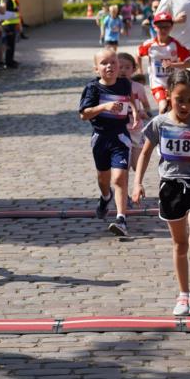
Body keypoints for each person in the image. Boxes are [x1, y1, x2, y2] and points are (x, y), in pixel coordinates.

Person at [132, 69, 190, 316]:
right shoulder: (159, 123)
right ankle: (183, 294)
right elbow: (145, 153)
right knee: (180, 243)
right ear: (168, 95)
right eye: (180, 99)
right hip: (170, 186)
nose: (185, 105)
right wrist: (138, 182)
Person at [79, 48, 138, 238]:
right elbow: (83, 114)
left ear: (119, 65)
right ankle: (106, 197)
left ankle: (121, 219)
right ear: (97, 69)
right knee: (104, 180)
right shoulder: (93, 88)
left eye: (113, 62)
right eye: (104, 63)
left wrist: (135, 113)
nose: (110, 66)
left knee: (119, 178)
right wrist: (104, 106)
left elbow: (129, 100)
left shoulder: (124, 84)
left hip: (120, 136)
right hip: (100, 138)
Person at [136, 11, 190, 115]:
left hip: (174, 83)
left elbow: (188, 64)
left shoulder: (176, 44)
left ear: (171, 27)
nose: (163, 29)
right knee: (163, 106)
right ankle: (162, 128)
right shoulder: (149, 44)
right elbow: (138, 55)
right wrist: (140, 71)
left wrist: (172, 65)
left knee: (173, 110)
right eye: (160, 26)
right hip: (157, 84)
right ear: (154, 27)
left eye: (166, 26)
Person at [116, 52, 151, 172]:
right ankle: (122, 190)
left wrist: (145, 113)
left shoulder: (138, 87)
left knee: (137, 166)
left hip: (136, 130)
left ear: (134, 69)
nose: (123, 70)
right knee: (122, 168)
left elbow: (146, 106)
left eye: (127, 67)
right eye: (120, 67)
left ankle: (137, 186)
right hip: (119, 131)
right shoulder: (111, 87)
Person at [1, 0, 21, 69]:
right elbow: (9, 11)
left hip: (13, 23)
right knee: (9, 45)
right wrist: (16, 9)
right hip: (8, 24)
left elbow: (17, 7)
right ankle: (8, 62)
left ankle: (11, 60)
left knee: (12, 44)